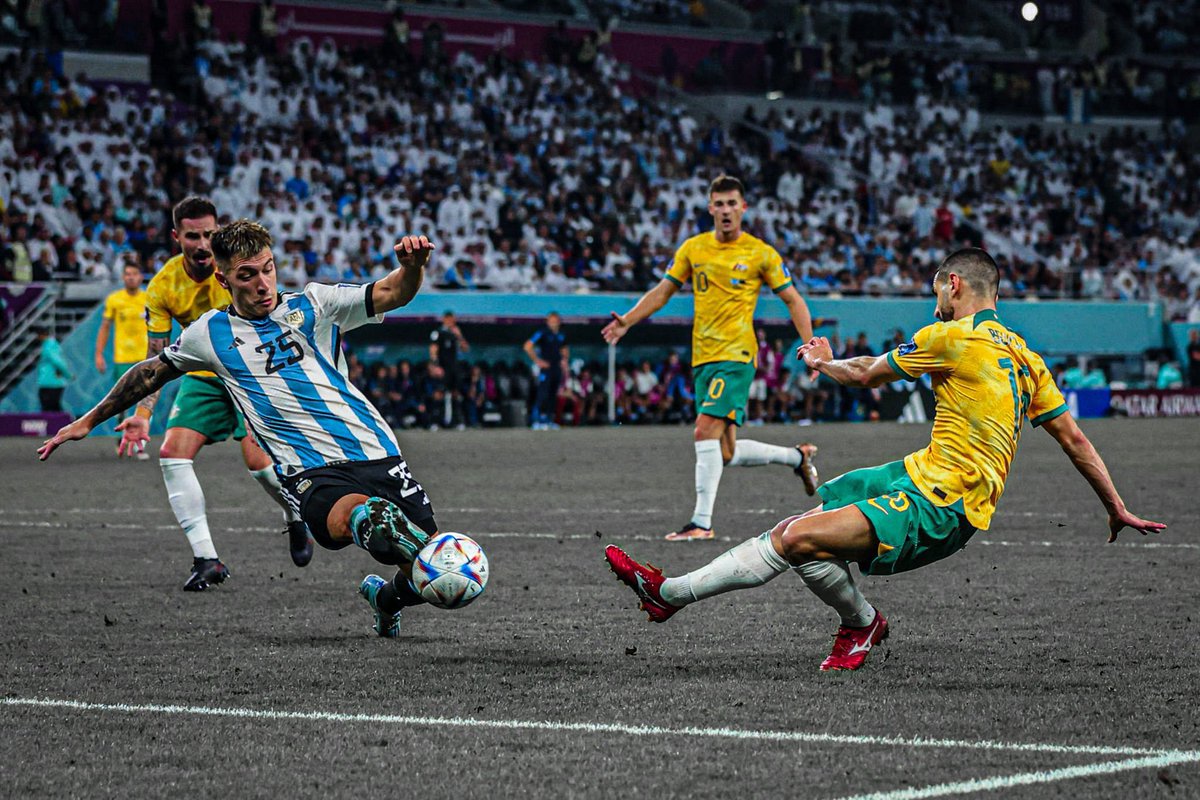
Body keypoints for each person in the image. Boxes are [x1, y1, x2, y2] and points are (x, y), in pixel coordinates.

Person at [605, 248, 1166, 671]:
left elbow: (867, 374)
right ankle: (861, 625)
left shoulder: (951, 337)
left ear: (954, 285)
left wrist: (823, 361)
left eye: (936, 291)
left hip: (942, 503)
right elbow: (1075, 440)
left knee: (797, 539)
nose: (934, 301)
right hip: (919, 473)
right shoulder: (1026, 356)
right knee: (802, 528)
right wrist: (1115, 507)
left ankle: (669, 594)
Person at [39, 224, 443, 639]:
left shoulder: (316, 303)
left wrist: (412, 268)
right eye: (247, 275)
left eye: (267, 269)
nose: (263, 283)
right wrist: (88, 421)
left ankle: (386, 599)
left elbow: (392, 292)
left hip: (376, 451)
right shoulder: (209, 334)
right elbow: (150, 372)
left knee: (441, 577)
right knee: (367, 522)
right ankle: (369, 521)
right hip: (310, 472)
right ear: (224, 278)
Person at [602, 175, 820, 541]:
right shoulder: (693, 249)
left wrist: (810, 346)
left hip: (736, 355)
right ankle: (798, 458)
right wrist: (628, 321)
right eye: (719, 204)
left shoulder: (761, 253)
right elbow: (663, 291)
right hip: (703, 357)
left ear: (743, 208)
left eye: (732, 203)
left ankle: (701, 523)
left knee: (703, 430)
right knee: (725, 452)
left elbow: (793, 300)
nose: (725, 211)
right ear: (710, 208)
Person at [121, 197, 311, 591]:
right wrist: (142, 414)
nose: (203, 243)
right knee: (172, 455)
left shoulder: (236, 267)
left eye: (210, 233)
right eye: (193, 236)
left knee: (260, 466)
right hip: (204, 377)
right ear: (177, 237)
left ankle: (295, 514)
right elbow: (156, 356)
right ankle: (207, 559)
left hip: (249, 375)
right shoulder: (162, 288)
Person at [94, 260, 149, 457]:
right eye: (127, 274)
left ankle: (139, 444)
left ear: (140, 276)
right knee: (121, 402)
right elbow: (105, 327)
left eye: (134, 273)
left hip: (145, 359)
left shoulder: (148, 297)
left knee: (143, 403)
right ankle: (122, 440)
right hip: (122, 359)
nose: (131, 277)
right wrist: (99, 354)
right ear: (123, 277)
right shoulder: (115, 300)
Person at [525, 311, 568, 430]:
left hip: (556, 369)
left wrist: (564, 361)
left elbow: (564, 349)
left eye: (555, 321)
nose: (553, 323)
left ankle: (549, 420)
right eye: (551, 321)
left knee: (553, 395)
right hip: (546, 369)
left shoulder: (561, 335)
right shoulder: (542, 333)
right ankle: (536, 421)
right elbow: (528, 346)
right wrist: (537, 361)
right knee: (542, 394)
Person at [429, 310, 469, 429]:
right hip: (442, 367)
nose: (451, 321)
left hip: (454, 368)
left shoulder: (455, 333)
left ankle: (457, 421)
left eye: (452, 319)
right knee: (439, 393)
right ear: (444, 319)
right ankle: (435, 422)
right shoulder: (438, 332)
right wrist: (435, 365)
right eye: (449, 318)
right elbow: (433, 349)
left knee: (456, 393)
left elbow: (465, 348)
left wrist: (459, 335)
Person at [36, 327, 71, 412]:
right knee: (53, 408)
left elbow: (58, 362)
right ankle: (64, 423)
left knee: (50, 409)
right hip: (50, 382)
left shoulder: (49, 345)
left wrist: (68, 375)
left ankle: (65, 423)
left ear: (41, 335)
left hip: (51, 383)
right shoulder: (49, 345)